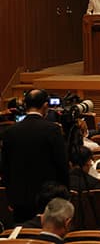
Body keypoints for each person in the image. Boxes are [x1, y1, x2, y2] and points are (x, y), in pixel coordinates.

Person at [0, 89, 68, 222]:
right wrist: (64, 195)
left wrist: (10, 197)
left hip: (19, 198)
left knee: (22, 231)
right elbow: (62, 165)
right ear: (45, 106)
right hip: (48, 198)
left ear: (25, 105)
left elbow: (5, 168)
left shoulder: (10, 132)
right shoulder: (53, 130)